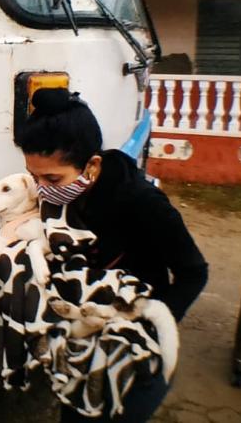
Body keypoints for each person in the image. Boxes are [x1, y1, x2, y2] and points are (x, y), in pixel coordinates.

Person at [14, 88, 209, 422]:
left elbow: (194, 272)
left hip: (133, 348)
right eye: (34, 177)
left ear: (92, 165)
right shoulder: (63, 198)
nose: (41, 188)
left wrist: (142, 327)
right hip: (83, 343)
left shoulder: (144, 204)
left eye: (51, 178)